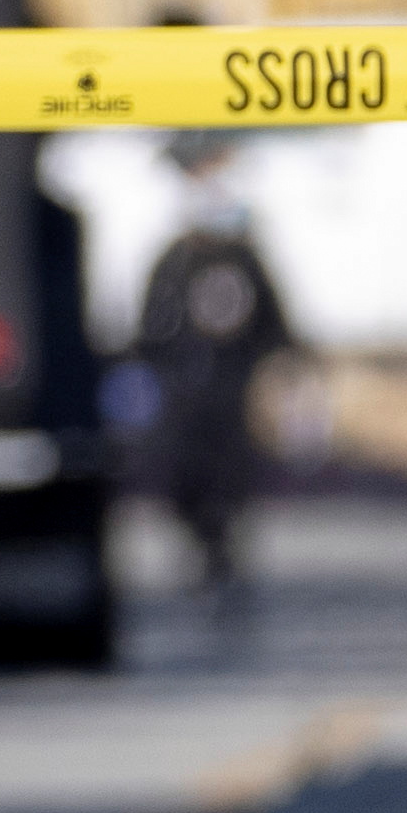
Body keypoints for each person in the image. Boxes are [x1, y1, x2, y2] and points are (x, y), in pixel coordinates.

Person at [132, 145, 296, 604]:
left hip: (233, 395)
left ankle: (223, 552)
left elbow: (276, 328)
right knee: (186, 477)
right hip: (184, 396)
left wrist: (283, 373)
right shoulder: (174, 260)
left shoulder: (247, 260)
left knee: (230, 479)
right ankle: (198, 541)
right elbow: (150, 331)